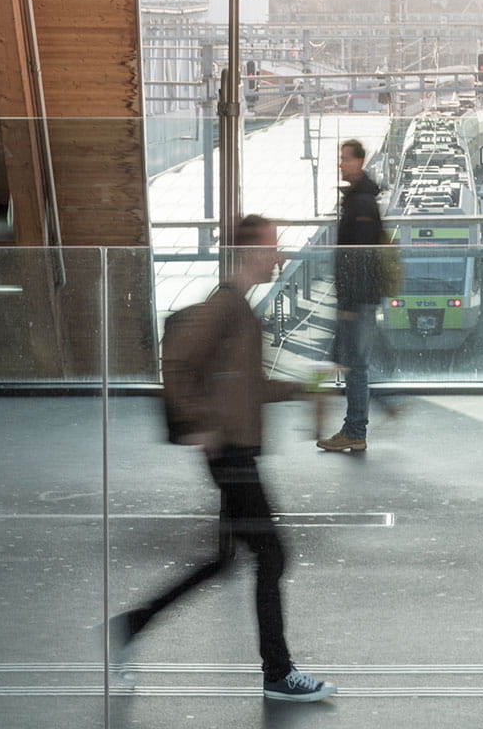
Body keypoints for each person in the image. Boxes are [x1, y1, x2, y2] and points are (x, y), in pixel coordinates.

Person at [112, 215, 336, 702]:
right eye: (271, 248)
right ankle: (278, 673)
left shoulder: (240, 311)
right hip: (230, 454)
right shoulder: (225, 308)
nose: (278, 257)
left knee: (223, 560)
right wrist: (198, 424)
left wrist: (302, 388)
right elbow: (174, 362)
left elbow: (248, 388)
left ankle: (132, 625)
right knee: (272, 555)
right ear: (249, 253)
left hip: (237, 450)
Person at [320, 138, 385, 454]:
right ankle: (359, 424)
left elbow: (357, 257)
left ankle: (355, 430)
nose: (340, 164)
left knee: (355, 365)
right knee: (351, 362)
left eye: (345, 158)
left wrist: (347, 303)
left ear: (359, 162)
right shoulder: (360, 199)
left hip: (356, 300)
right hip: (358, 298)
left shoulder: (360, 203)